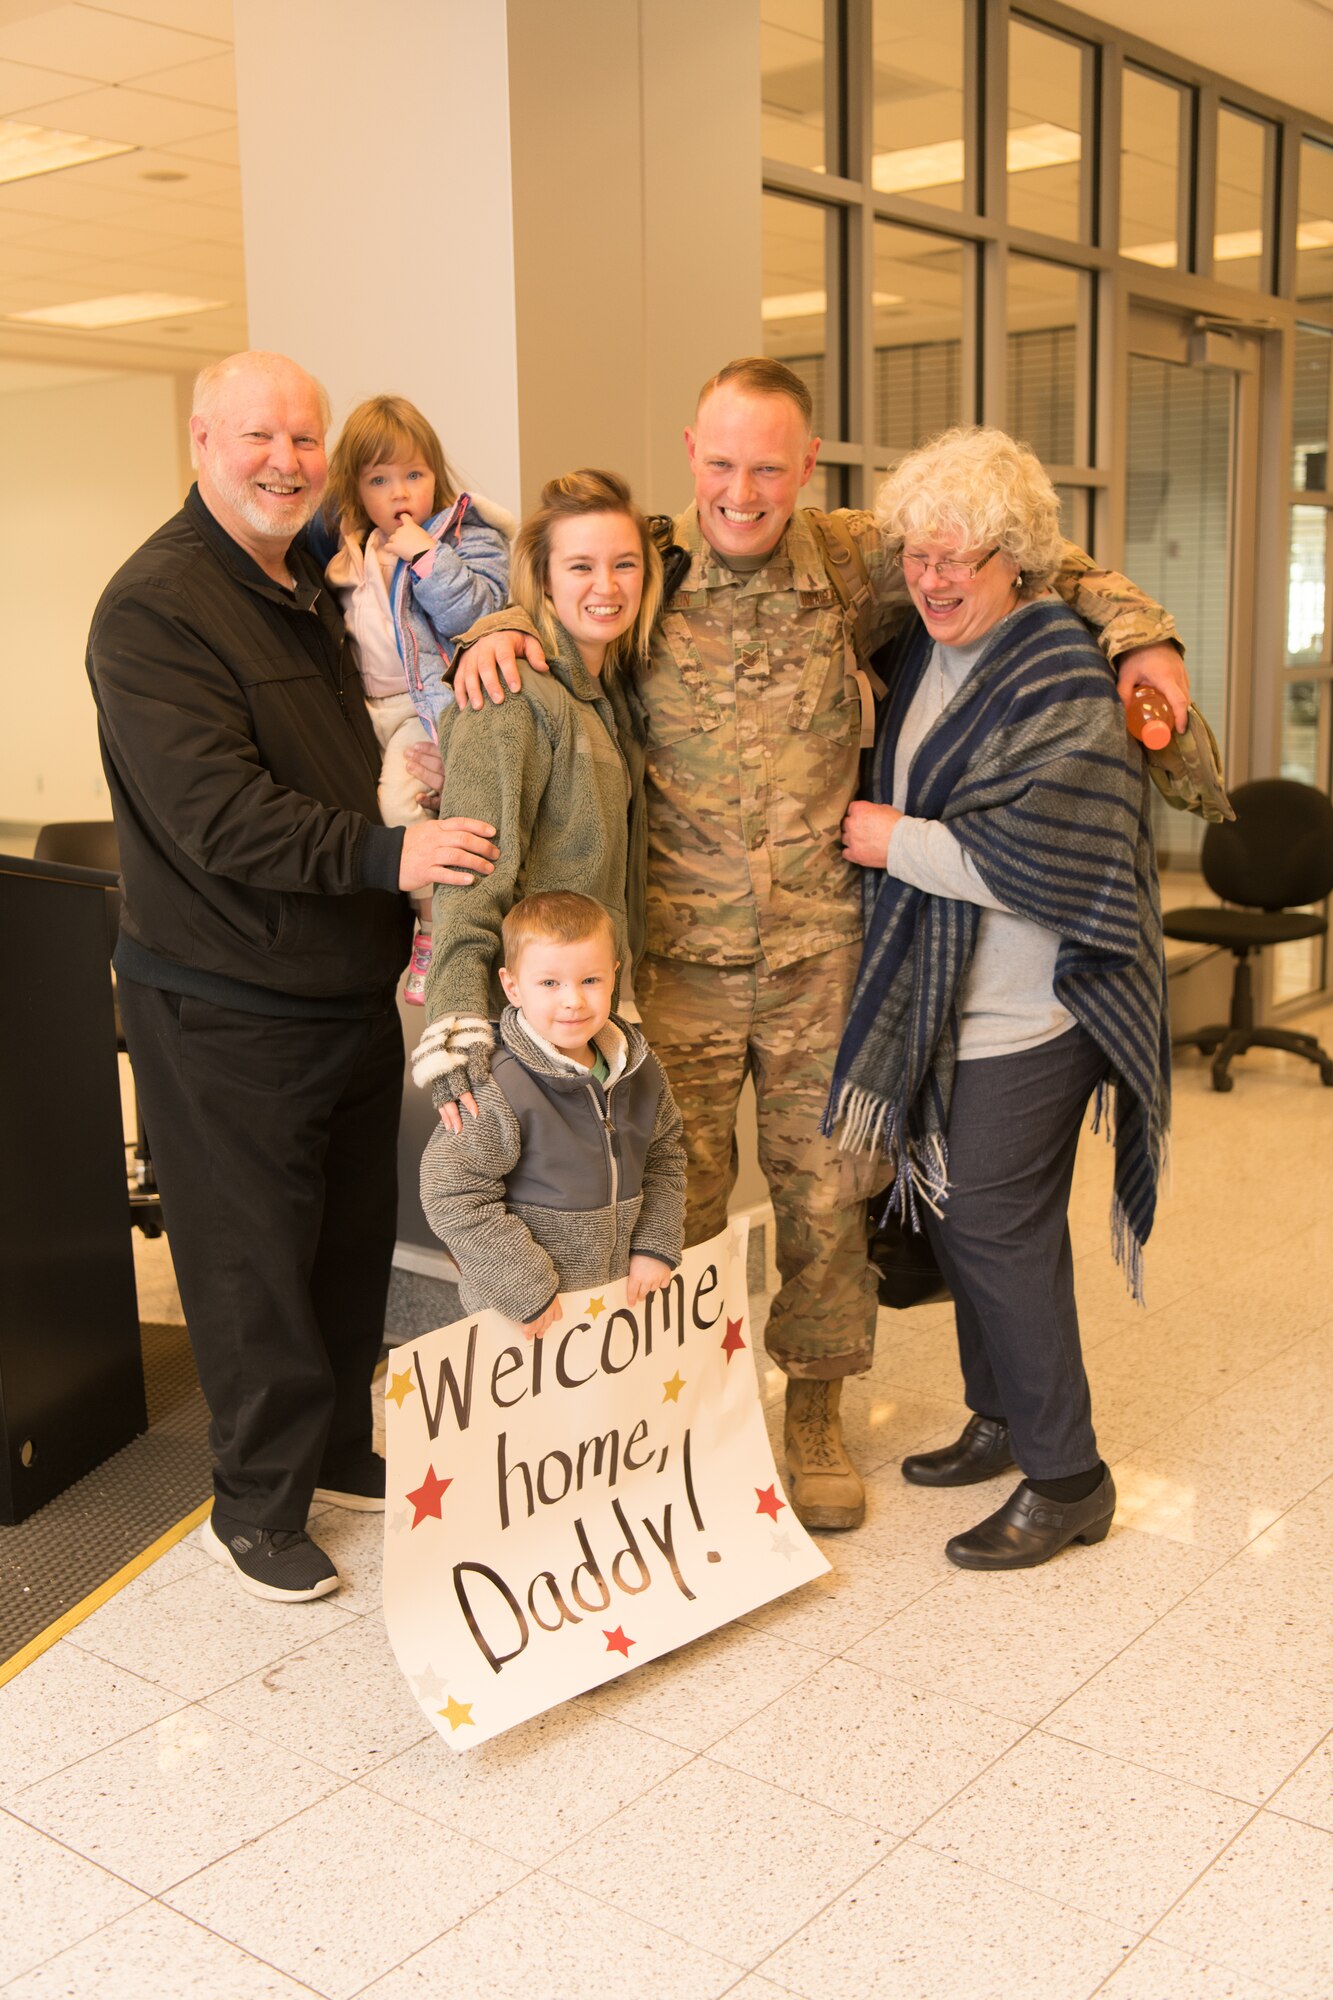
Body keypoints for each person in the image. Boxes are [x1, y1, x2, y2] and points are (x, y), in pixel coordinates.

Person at [437, 355, 1188, 1534]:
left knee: (828, 1202)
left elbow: (1038, 557)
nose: (744, 489)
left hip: (819, 958)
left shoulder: (853, 557)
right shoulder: (647, 563)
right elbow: (554, 591)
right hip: (671, 967)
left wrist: (1143, 637)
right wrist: (491, 629)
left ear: (808, 468)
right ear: (692, 453)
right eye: (724, 463)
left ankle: (817, 1414)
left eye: (770, 467)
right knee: (658, 1210)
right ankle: (666, 1421)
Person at [85, 350, 500, 1604]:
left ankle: (330, 1450)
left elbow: (445, 619)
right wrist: (391, 851)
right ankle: (253, 1505)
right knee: (250, 1260)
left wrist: (509, 620)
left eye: (305, 439)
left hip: (341, 987)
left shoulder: (313, 579)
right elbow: (218, 814)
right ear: (202, 439)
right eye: (259, 436)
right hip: (224, 1002)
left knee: (341, 1248)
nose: (286, 461)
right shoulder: (156, 607)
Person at [831, 426, 1170, 1570]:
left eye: (957, 558)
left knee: (991, 1221)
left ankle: (1068, 1474)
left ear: (1015, 564)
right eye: (918, 555)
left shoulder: (1061, 669)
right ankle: (1002, 1414)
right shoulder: (927, 653)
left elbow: (1050, 862)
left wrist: (893, 840)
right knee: (961, 1218)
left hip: (1037, 1005)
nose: (930, 578)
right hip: (951, 1001)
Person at [411, 469, 660, 1112]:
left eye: (624, 564)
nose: (606, 587)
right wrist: (457, 1045)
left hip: (588, 1031)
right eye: (580, 566)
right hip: (516, 1049)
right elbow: (469, 878)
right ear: (543, 578)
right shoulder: (508, 695)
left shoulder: (616, 696)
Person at [420, 892, 687, 1334]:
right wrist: (524, 1287)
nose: (573, 1002)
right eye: (549, 984)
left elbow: (664, 1158)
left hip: (616, 1304)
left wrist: (655, 1244)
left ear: (614, 976)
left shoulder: (640, 1070)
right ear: (512, 986)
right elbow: (452, 1194)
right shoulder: (495, 1085)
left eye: (590, 981)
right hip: (523, 1316)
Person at [322, 395, 513, 1002]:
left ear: (436, 475)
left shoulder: (461, 535)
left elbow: (482, 611)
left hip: (421, 703)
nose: (399, 492)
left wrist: (429, 558)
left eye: (413, 474)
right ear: (356, 489)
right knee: (358, 810)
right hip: (363, 710)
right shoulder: (348, 548)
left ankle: (433, 928)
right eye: (379, 479)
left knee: (400, 804)